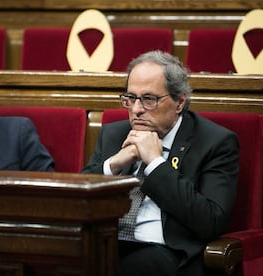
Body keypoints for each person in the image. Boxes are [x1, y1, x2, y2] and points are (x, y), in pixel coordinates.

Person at [82, 50, 239, 275]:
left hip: (167, 252)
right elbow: (78, 195)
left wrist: (155, 164)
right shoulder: (113, 134)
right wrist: (113, 165)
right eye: (131, 98)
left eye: (149, 99)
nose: (136, 109)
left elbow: (211, 221)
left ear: (179, 102)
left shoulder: (215, 142)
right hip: (107, 242)